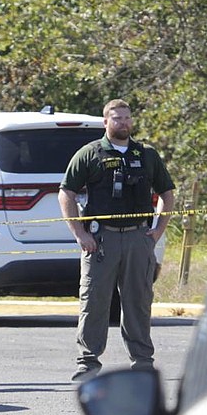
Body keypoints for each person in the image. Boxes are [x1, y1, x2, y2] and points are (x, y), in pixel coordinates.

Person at [58, 99, 175, 382]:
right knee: (94, 302)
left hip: (138, 238)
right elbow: (66, 193)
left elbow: (167, 194)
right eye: (116, 118)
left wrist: (157, 231)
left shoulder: (146, 154)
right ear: (105, 122)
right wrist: (80, 234)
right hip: (101, 240)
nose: (123, 123)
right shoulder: (90, 154)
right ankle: (88, 363)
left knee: (138, 301)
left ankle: (143, 361)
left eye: (126, 118)